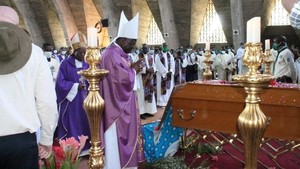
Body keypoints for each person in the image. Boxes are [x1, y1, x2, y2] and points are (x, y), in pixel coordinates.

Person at [0, 6, 58, 169]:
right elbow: (46, 102)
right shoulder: (35, 53)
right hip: (21, 143)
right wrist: (46, 139)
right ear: (17, 27)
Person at [99, 11, 145, 169]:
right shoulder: (110, 54)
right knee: (116, 138)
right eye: (132, 43)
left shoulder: (119, 54)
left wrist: (131, 68)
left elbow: (121, 74)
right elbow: (117, 80)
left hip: (125, 103)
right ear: (123, 39)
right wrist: (134, 71)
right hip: (116, 108)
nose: (133, 46)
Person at [55, 32, 91, 154]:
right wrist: (75, 86)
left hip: (85, 99)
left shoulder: (87, 64)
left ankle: (86, 147)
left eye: (84, 52)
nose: (82, 55)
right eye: (80, 52)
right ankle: (74, 148)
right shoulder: (65, 64)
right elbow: (60, 83)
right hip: (72, 102)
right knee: (74, 122)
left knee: (86, 121)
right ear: (74, 51)